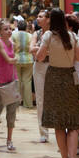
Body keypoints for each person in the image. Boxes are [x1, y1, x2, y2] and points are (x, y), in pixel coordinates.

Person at [35, 8, 79, 158]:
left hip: (54, 78)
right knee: (72, 123)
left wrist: (51, 51)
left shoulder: (49, 36)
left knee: (58, 124)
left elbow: (39, 57)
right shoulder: (72, 36)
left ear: (51, 21)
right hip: (70, 77)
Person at [0, 20, 20, 151]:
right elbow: (8, 59)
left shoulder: (12, 43)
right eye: (6, 29)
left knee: (11, 112)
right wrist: (15, 59)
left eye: (10, 29)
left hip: (12, 79)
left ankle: (9, 140)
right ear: (0, 32)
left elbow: (10, 59)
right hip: (0, 80)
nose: (9, 31)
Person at [32, 8, 51, 144]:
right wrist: (45, 51)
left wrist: (39, 50)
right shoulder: (36, 33)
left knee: (55, 98)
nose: (38, 19)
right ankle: (43, 132)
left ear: (48, 19)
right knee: (40, 99)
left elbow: (55, 51)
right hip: (38, 67)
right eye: (37, 16)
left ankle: (61, 129)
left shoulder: (54, 34)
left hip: (53, 66)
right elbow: (30, 49)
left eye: (41, 16)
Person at [12, 19, 34, 108]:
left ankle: (17, 102)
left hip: (16, 59)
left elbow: (11, 47)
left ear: (17, 26)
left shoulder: (13, 34)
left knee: (18, 81)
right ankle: (28, 104)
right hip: (28, 60)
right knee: (27, 82)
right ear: (26, 27)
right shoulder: (30, 35)